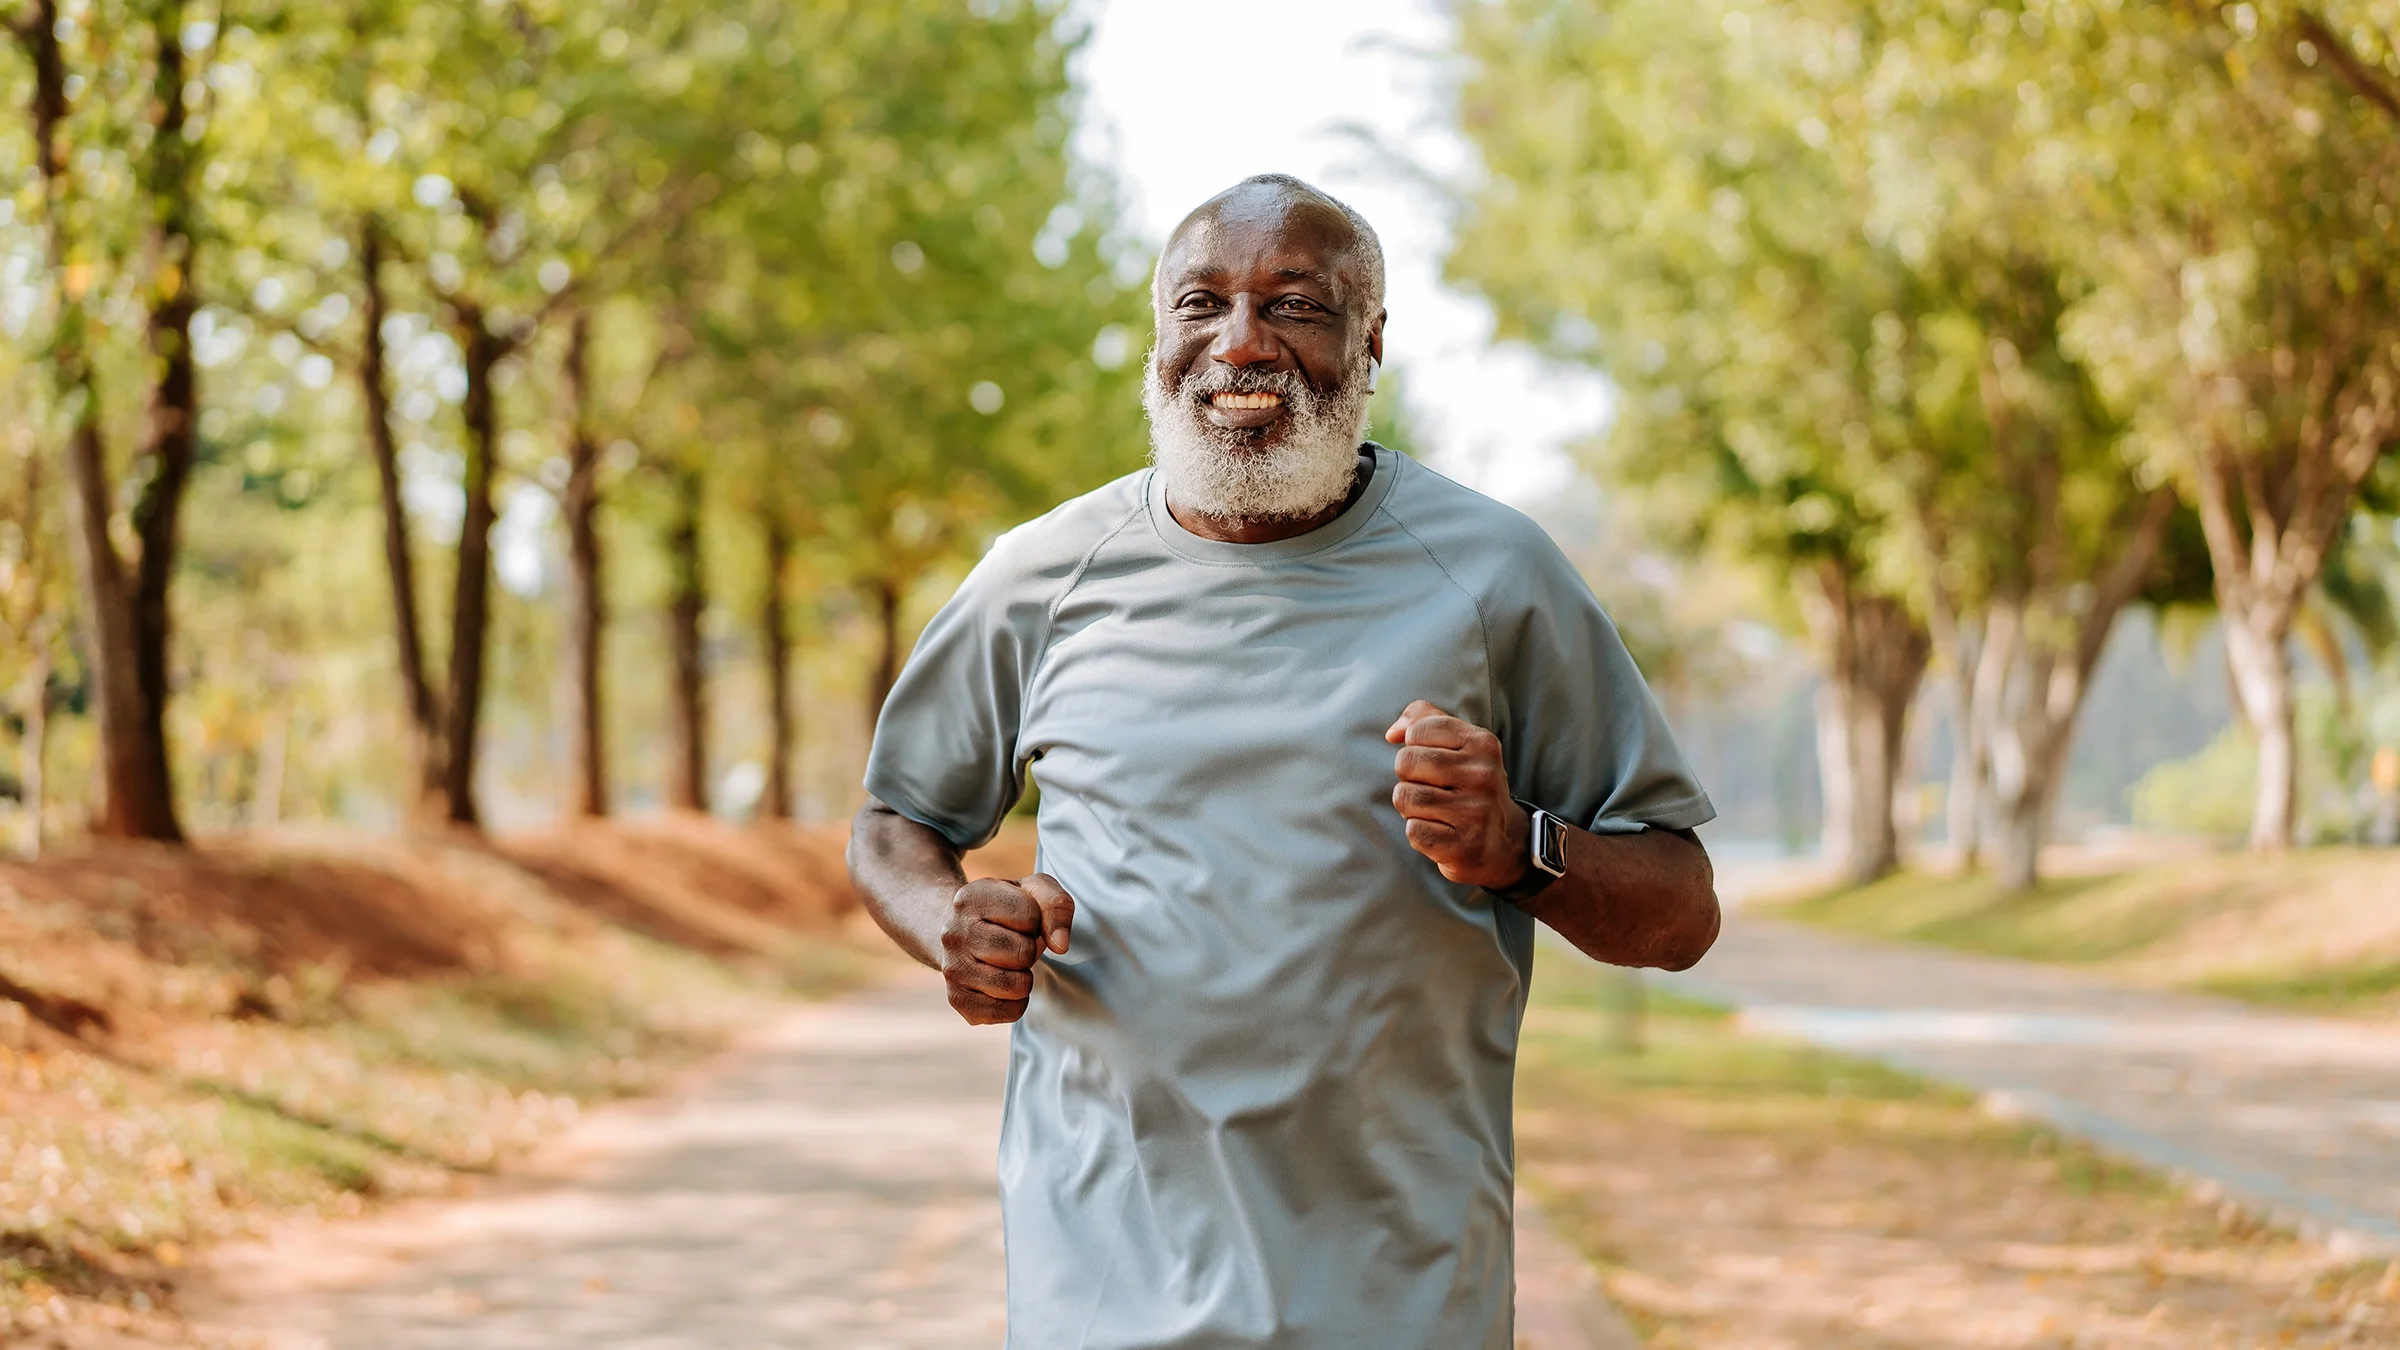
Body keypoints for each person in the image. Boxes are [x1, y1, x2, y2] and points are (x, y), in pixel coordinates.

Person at [847, 173, 1719, 1350]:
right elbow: (896, 823)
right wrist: (949, 924)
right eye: (1200, 304)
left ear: (1371, 342)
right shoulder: (1041, 576)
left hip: (1400, 1294)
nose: (1241, 344)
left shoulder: (1495, 574)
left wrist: (1522, 849)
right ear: (1158, 337)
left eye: (1296, 307)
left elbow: (1679, 914)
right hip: (1101, 1287)